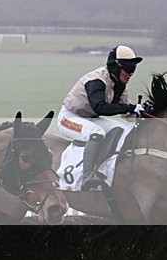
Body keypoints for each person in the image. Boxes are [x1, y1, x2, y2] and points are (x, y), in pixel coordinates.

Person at [58, 45, 145, 190]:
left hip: (90, 118)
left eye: (133, 69)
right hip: (69, 118)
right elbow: (100, 107)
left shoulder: (119, 85)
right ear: (115, 67)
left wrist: (144, 113)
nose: (130, 73)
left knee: (123, 130)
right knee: (96, 133)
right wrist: (131, 107)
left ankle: (109, 169)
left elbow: (126, 114)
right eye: (128, 68)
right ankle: (88, 176)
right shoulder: (96, 81)